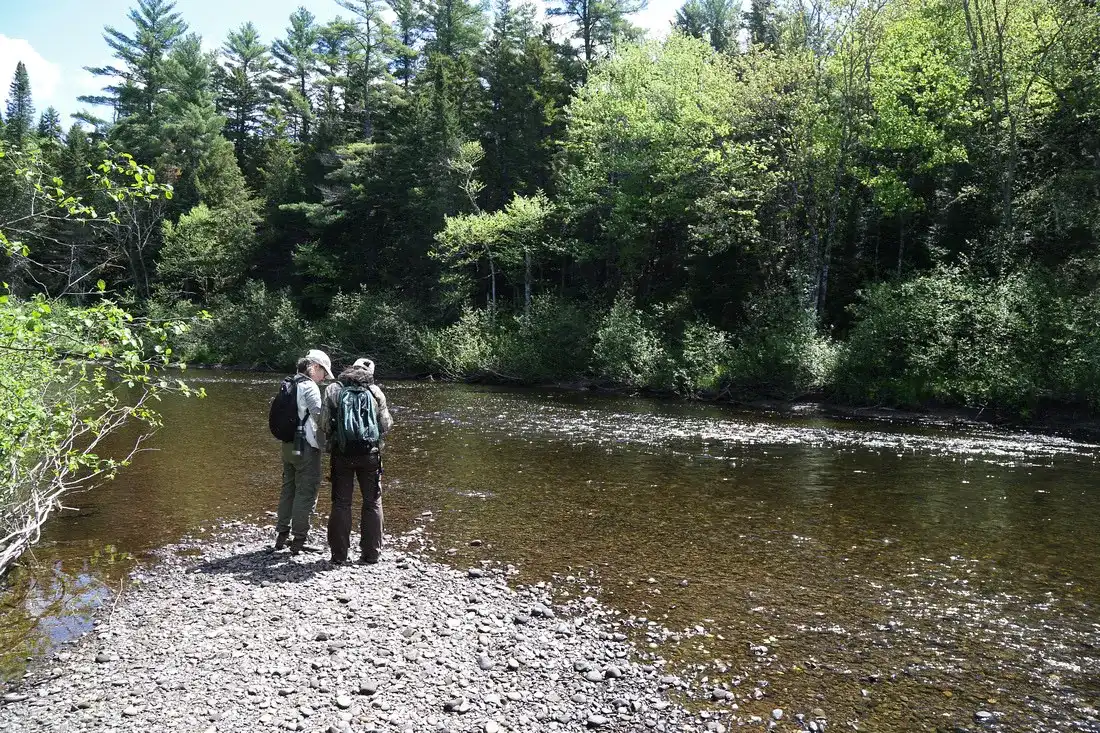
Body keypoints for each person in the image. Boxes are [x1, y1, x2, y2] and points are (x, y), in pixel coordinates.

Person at [321, 357, 393, 565]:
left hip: (341, 454)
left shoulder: (334, 390)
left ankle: (338, 556)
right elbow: (386, 424)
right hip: (370, 455)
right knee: (372, 503)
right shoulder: (375, 391)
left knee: (341, 503)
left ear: (350, 369)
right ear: (370, 373)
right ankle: (371, 555)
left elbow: (324, 424)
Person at [275, 349, 334, 554]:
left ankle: (281, 536)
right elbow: (320, 418)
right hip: (305, 445)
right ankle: (299, 540)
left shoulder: (289, 382)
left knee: (288, 489)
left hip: (288, 444)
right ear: (314, 367)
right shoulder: (309, 387)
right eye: (324, 372)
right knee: (306, 492)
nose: (324, 377)